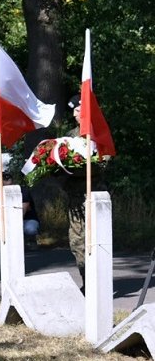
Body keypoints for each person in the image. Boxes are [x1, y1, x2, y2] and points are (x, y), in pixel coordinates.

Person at [61, 94, 107, 289]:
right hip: (75, 198)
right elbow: (61, 162)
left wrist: (79, 167)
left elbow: (102, 164)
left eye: (78, 110)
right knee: (77, 242)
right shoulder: (71, 135)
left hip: (94, 198)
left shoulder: (98, 135)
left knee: (97, 242)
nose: (74, 114)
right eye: (73, 111)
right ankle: (87, 281)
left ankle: (99, 284)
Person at [0, 172, 39, 248]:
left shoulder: (23, 191)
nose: (7, 181)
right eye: (4, 179)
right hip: (10, 219)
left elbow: (23, 210)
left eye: (8, 179)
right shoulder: (1, 193)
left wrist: (14, 224)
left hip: (27, 219)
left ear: (13, 181)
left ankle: (31, 240)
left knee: (30, 229)